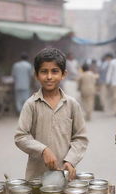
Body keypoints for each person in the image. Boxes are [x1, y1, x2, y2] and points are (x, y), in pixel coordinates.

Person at [14, 48, 88, 185]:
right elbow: (20, 136)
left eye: (54, 71)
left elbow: (80, 138)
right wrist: (43, 150)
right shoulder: (31, 104)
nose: (49, 77)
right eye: (44, 71)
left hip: (65, 175)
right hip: (37, 178)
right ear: (36, 75)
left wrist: (70, 160)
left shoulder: (72, 104)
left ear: (63, 74)